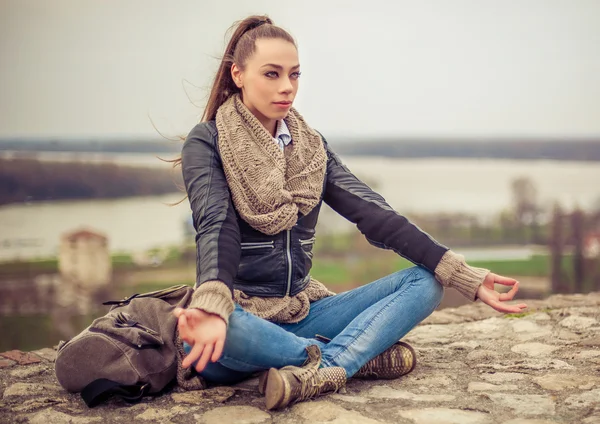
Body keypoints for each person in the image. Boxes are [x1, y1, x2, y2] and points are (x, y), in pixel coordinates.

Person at [174, 15, 527, 410]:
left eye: (294, 74)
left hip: (300, 310)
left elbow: (373, 213)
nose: (287, 87)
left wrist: (461, 274)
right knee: (223, 327)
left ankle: (318, 364)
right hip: (243, 314)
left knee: (427, 282)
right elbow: (216, 226)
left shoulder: (310, 147)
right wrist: (211, 305)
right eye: (271, 74)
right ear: (238, 74)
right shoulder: (207, 142)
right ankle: (355, 358)